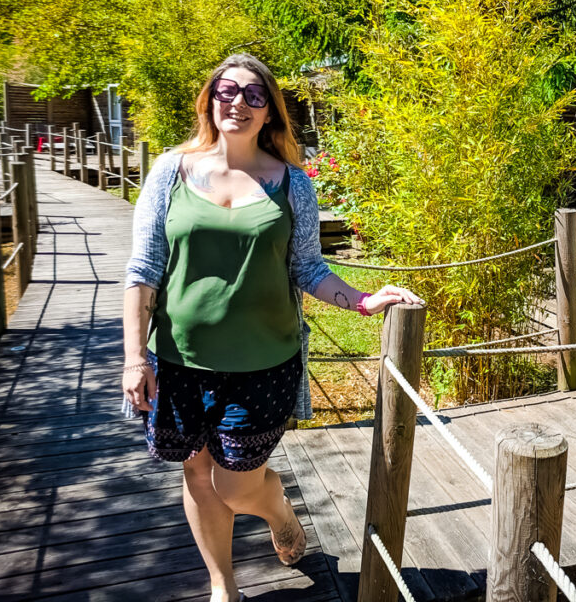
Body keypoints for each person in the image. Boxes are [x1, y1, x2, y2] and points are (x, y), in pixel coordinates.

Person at [122, 53, 422, 602]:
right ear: (210, 98)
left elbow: (307, 267)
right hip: (179, 359)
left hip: (264, 361)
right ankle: (223, 586)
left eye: (254, 95)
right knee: (196, 472)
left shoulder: (292, 184)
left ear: (270, 113)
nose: (237, 101)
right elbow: (143, 270)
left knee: (236, 484)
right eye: (227, 89)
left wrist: (361, 300)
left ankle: (276, 505)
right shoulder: (170, 171)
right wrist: (134, 358)